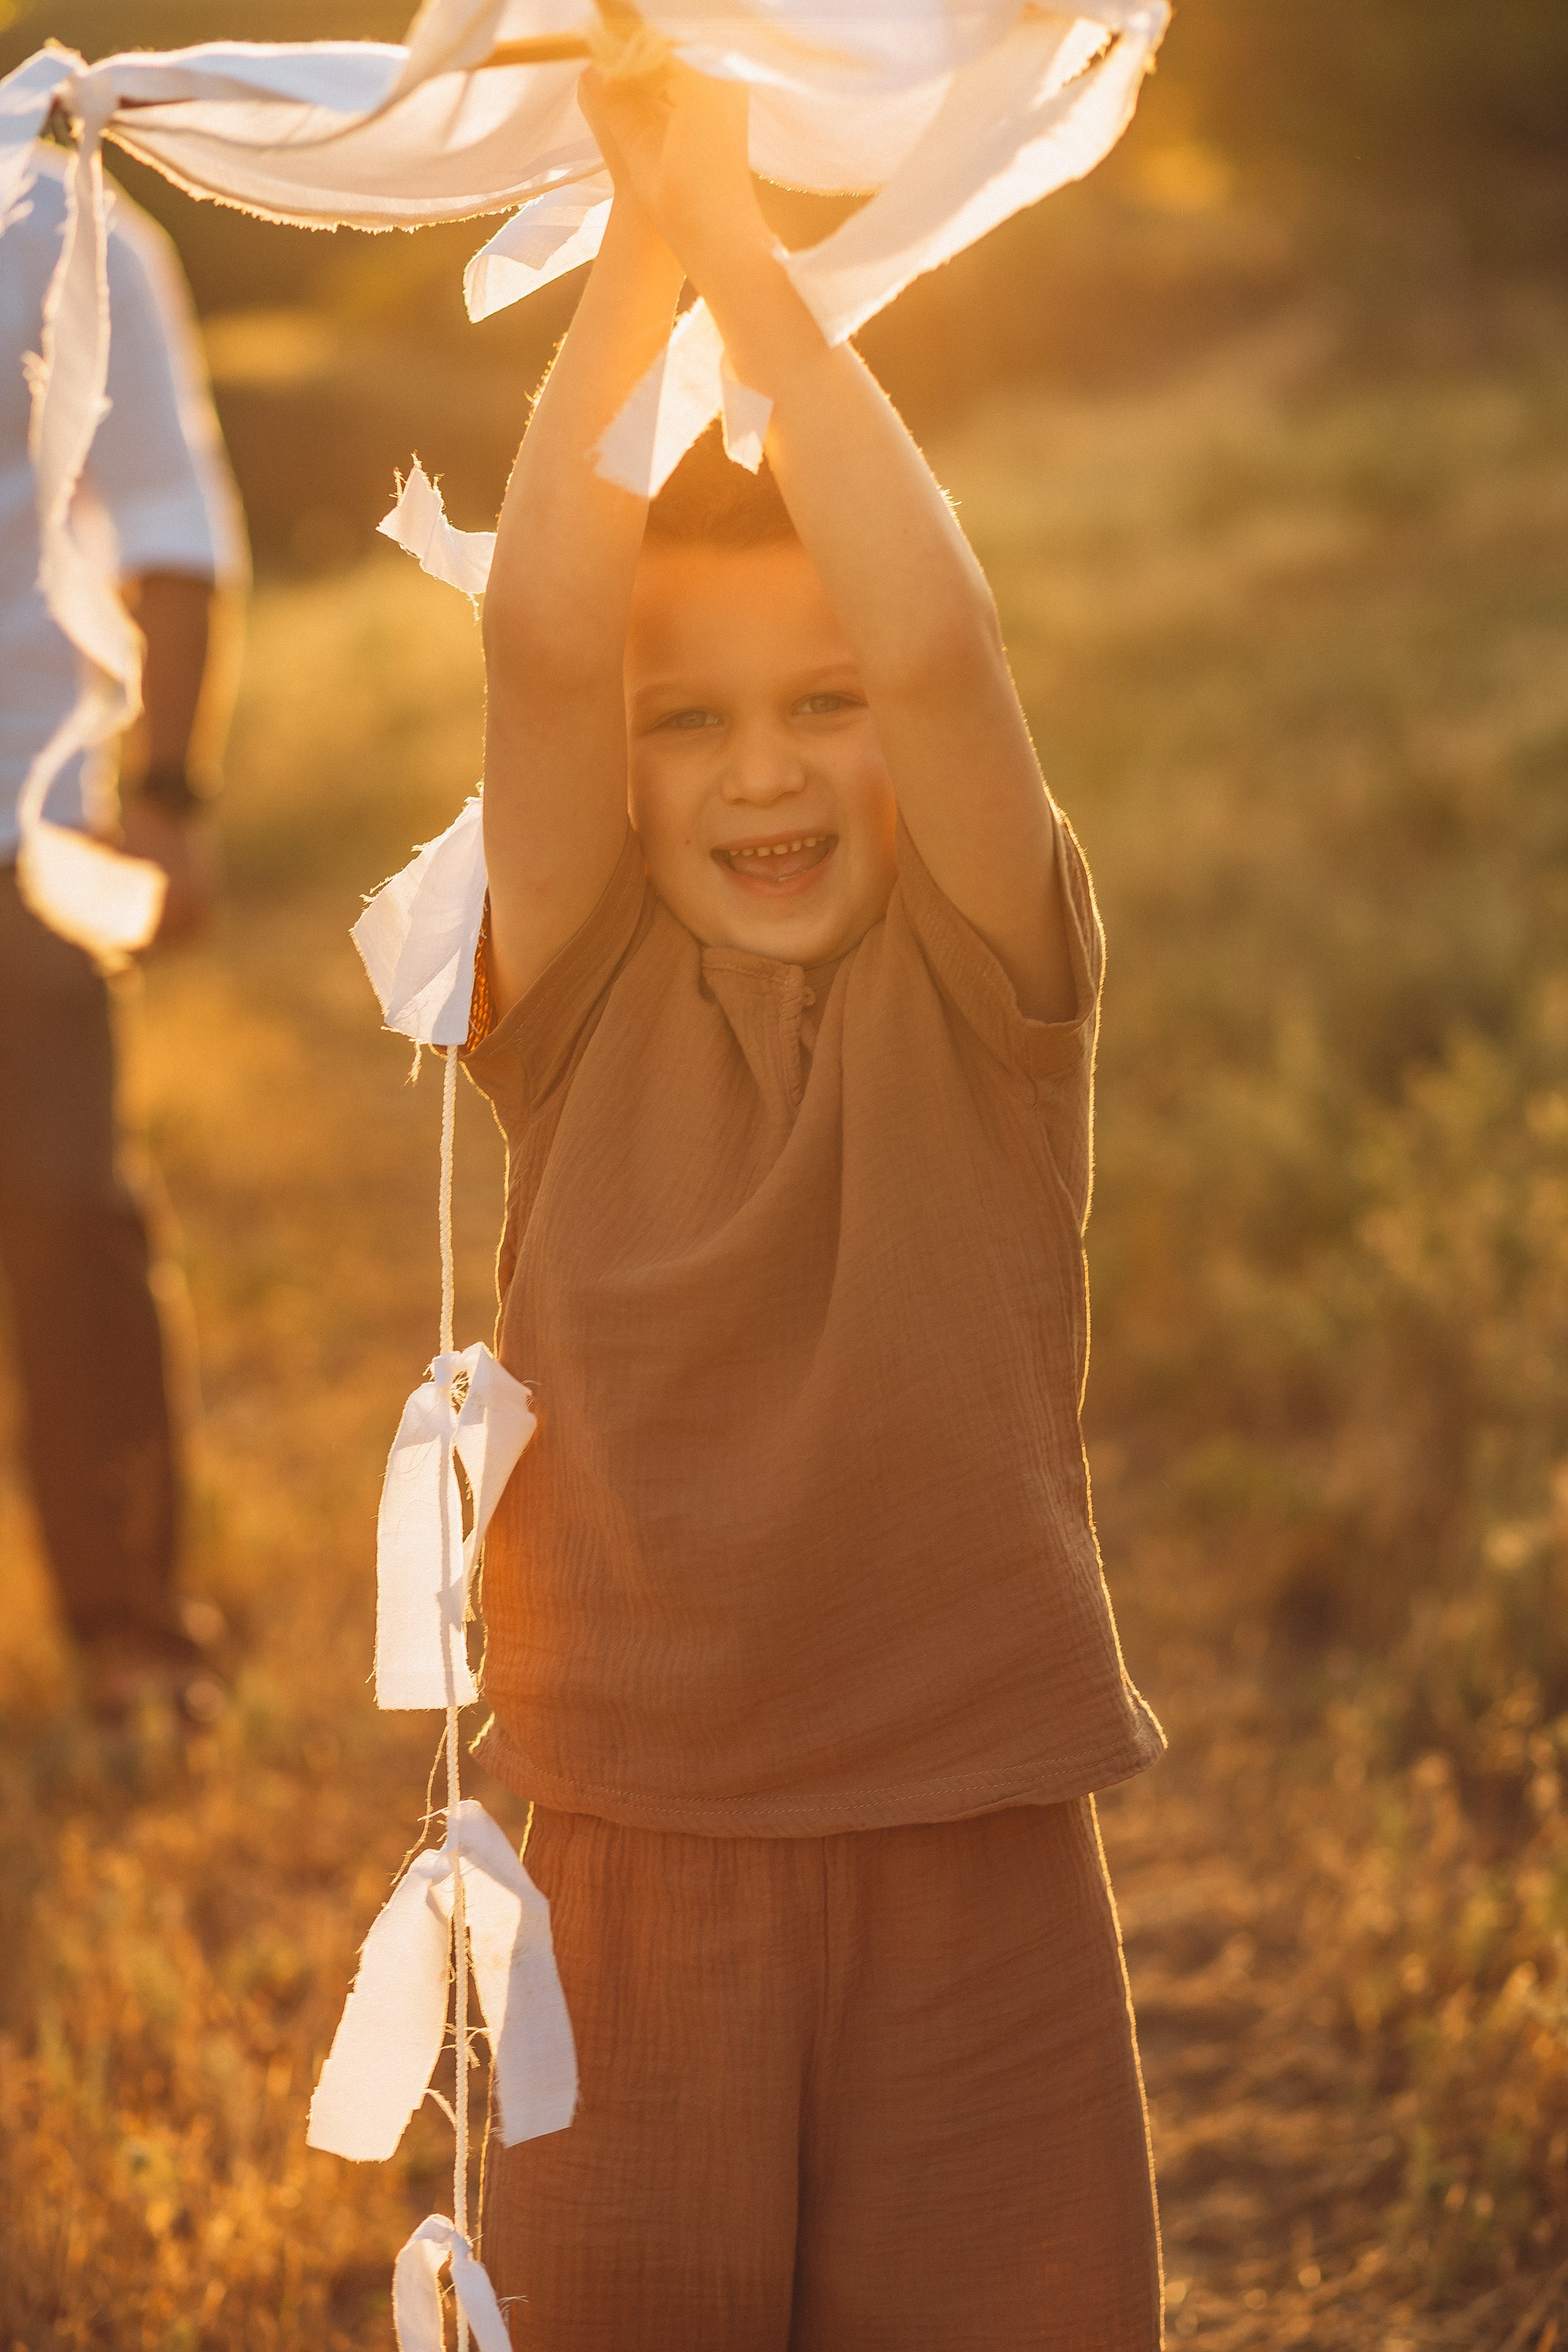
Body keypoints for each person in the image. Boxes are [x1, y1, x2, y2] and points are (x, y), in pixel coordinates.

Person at [464, 63, 1166, 2350]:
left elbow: (950, 640)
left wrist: (747, 264)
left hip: (971, 1833)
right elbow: (544, 637)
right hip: (630, 1855)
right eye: (691, 726)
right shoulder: (568, 999)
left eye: (822, 704)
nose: (761, 771)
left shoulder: (987, 993)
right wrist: (635, 257)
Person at [0, 142, 248, 1723]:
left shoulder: (66, 230)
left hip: (28, 830)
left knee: (70, 1212)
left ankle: (132, 1630)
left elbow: (168, 516)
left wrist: (165, 791)